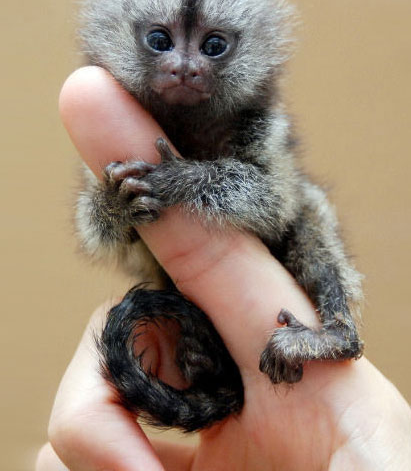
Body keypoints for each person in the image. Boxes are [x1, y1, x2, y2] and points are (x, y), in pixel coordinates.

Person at [36, 67, 411, 471]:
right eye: (160, 41)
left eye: (213, 47)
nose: (184, 64)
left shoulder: (254, 119)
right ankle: (205, 364)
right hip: (209, 328)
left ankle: (338, 329)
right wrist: (112, 208)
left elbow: (274, 204)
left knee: (309, 204)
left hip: (287, 261)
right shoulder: (120, 143)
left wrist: (191, 180)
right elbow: (101, 238)